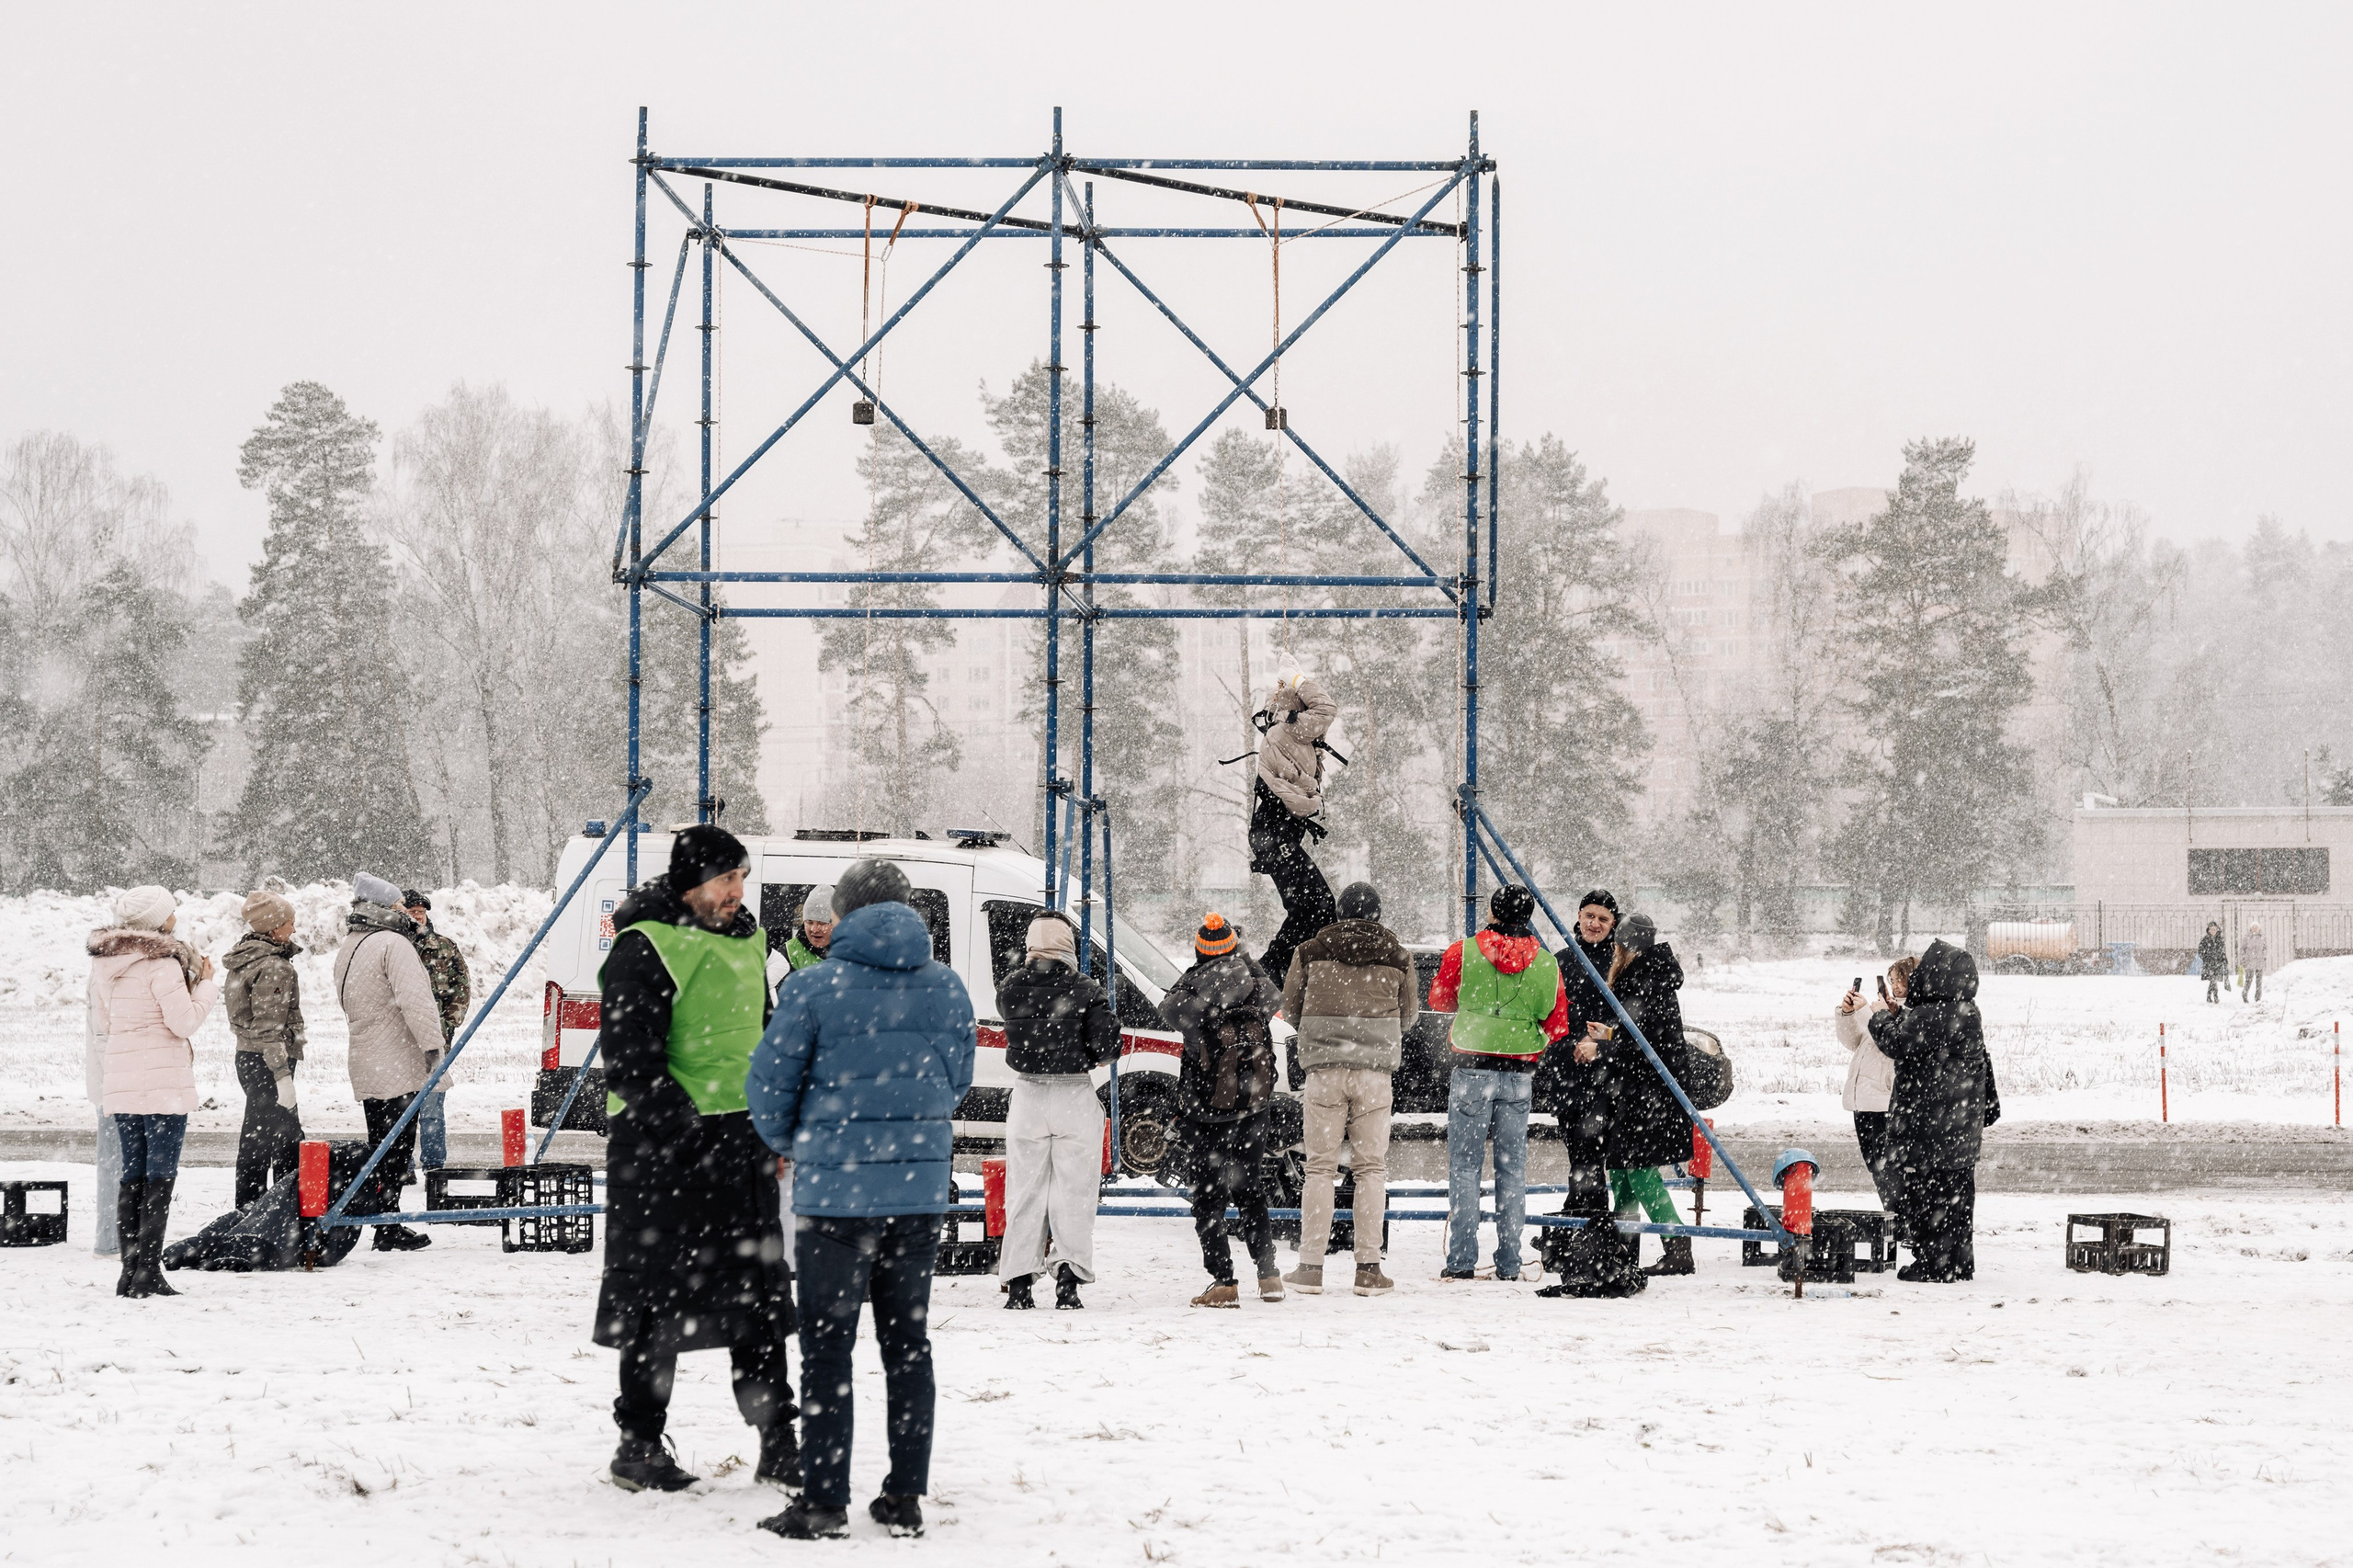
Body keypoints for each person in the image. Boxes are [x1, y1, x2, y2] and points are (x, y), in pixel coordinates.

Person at [749, 858, 976, 1541]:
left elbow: (768, 1088)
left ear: (843, 915)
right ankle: (904, 1498)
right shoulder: (946, 987)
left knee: (827, 1351)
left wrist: (801, 1142)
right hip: (917, 1196)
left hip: (835, 1200)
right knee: (908, 1347)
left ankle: (823, 1503)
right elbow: (957, 1082)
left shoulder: (812, 988)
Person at [593, 824, 801, 1498]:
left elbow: (762, 1036)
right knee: (655, 1305)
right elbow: (630, 1062)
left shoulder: (750, 939)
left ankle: (780, 1442)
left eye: (742, 878)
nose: (737, 892)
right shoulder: (644, 946)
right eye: (724, 879)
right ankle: (639, 1445)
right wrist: (688, 1136)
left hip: (741, 1143)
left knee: (760, 1301)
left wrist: (771, 1124)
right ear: (691, 883)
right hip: (661, 1155)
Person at [1279, 881, 1416, 1298]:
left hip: (1324, 1070)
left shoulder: (1309, 952)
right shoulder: (1398, 956)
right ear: (1377, 914)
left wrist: (1324, 1029)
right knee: (1371, 1169)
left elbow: (1291, 1008)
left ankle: (1310, 1267)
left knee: (1319, 1169)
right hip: (1374, 1073)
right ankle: (1368, 1269)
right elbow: (1409, 1016)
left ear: (1338, 912)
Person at [1427, 885, 1569, 1283]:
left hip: (1472, 1066)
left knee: (1465, 1166)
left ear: (1491, 911)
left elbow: (1439, 1000)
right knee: (1512, 1169)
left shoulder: (1463, 952)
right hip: (1519, 1072)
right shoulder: (1547, 963)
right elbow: (1557, 1023)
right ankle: (1509, 1261)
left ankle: (1461, 1259)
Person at [87, 885, 219, 1298]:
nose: (176, 914)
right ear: (159, 920)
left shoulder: (106, 963)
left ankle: (129, 1271)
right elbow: (184, 1023)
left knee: (133, 1173)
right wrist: (206, 985)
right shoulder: (162, 963)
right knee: (160, 1174)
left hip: (122, 1079)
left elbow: (106, 1023)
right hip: (162, 1083)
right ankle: (148, 1272)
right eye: (171, 910)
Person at [1158, 912, 1285, 1309]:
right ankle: (1269, 1275)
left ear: (1199, 952)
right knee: (1251, 1191)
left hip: (1205, 1113)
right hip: (1253, 1108)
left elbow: (1167, 1008)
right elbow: (1275, 996)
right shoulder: (1256, 987)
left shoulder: (1191, 996)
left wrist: (1197, 971)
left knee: (1209, 1200)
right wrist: (1243, 959)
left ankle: (1224, 1281)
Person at [995, 910, 1120, 1311]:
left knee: (1024, 1191)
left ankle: (1018, 1283)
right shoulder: (1085, 988)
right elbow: (1108, 1049)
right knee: (1074, 1192)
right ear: (1068, 945)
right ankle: (1068, 1280)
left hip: (1027, 1096)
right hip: (1073, 1095)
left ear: (1031, 944)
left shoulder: (1010, 988)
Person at [1565, 915, 1699, 1277]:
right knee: (1622, 1170)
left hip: (1651, 1094)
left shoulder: (1644, 980)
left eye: (1617, 945)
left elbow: (1644, 1048)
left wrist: (1601, 1049)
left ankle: (1677, 1246)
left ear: (1625, 947)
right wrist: (1610, 1034)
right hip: (1643, 1091)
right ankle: (1623, 1245)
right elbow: (1643, 1036)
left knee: (1638, 1170)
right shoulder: (1648, 975)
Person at [1869, 938, 2000, 1283]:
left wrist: (1880, 1015)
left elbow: (1898, 1043)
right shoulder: (1965, 1011)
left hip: (1932, 1128)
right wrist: (1900, 1015)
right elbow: (1926, 1039)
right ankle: (1959, 1263)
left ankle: (1933, 1265)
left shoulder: (1933, 1014)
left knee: (1928, 1197)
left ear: (1936, 975)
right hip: (1960, 1126)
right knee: (1959, 1199)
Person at [334, 871, 449, 1252]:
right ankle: (388, 1225)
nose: (404, 910)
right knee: (398, 1148)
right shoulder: (394, 944)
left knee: (380, 1145)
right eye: (399, 904)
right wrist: (433, 1050)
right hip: (398, 1061)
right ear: (383, 907)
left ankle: (384, 1219)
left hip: (366, 1058)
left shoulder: (350, 944)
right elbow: (417, 1002)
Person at [1248, 674, 1341, 993]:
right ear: (1299, 712)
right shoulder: (1285, 731)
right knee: (1320, 906)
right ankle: (1271, 974)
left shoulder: (1288, 736)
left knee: (1311, 909)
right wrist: (1299, 679)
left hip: (1273, 836)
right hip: (1274, 836)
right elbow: (1326, 709)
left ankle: (1275, 973)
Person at [222, 890, 307, 1208]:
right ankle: (269, 1211)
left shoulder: (247, 957)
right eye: (289, 923)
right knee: (278, 1141)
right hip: (268, 1060)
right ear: (274, 928)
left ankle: (256, 1208)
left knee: (268, 1135)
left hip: (248, 1056)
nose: (294, 929)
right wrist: (282, 1075)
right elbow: (268, 1027)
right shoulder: (274, 966)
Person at [1540, 890, 1620, 1213]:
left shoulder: (1619, 962)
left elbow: (1628, 1019)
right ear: (1578, 916)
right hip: (1567, 1071)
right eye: (1589, 916)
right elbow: (1549, 1015)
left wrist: (1600, 1042)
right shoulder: (1562, 960)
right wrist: (1571, 1043)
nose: (1594, 924)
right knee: (1577, 1150)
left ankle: (1588, 1219)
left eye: (1603, 919)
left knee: (1591, 1153)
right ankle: (1581, 1217)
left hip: (1605, 1075)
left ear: (1613, 924)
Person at [1836, 955, 1915, 1227]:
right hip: (1863, 1100)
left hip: (1886, 1102)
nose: (1895, 986)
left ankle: (1902, 1223)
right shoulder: (1885, 1008)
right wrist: (1848, 1014)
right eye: (1891, 980)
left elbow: (1894, 1043)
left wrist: (1873, 1013)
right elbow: (1854, 1041)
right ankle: (1895, 1222)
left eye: (1901, 980)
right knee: (1876, 1167)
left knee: (1890, 1169)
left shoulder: (1914, 1012)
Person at [784, 885, 835, 971]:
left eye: (822, 923)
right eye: (809, 922)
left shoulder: (854, 951)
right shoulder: (790, 952)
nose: (814, 929)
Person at [2197, 922, 2228, 1006]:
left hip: (2217, 963)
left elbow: (2222, 951)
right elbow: (2200, 951)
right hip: (2209, 963)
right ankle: (2215, 996)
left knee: (2213, 980)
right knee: (2213, 980)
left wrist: (2224, 959)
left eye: (2214, 929)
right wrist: (2206, 957)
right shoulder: (2205, 940)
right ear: (2209, 930)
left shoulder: (2220, 940)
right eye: (2211, 929)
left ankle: (2208, 995)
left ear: (2217, 930)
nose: (2213, 931)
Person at [2241, 921, 2268, 1003]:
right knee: (2249, 980)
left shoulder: (2262, 937)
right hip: (2250, 961)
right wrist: (2244, 959)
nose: (2255, 929)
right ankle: (2244, 994)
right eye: (2253, 927)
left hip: (2259, 961)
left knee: (2259, 981)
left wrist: (2264, 956)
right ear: (2251, 928)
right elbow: (2243, 949)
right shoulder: (2247, 937)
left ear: (2259, 928)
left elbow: (2265, 948)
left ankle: (2258, 998)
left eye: (2256, 927)